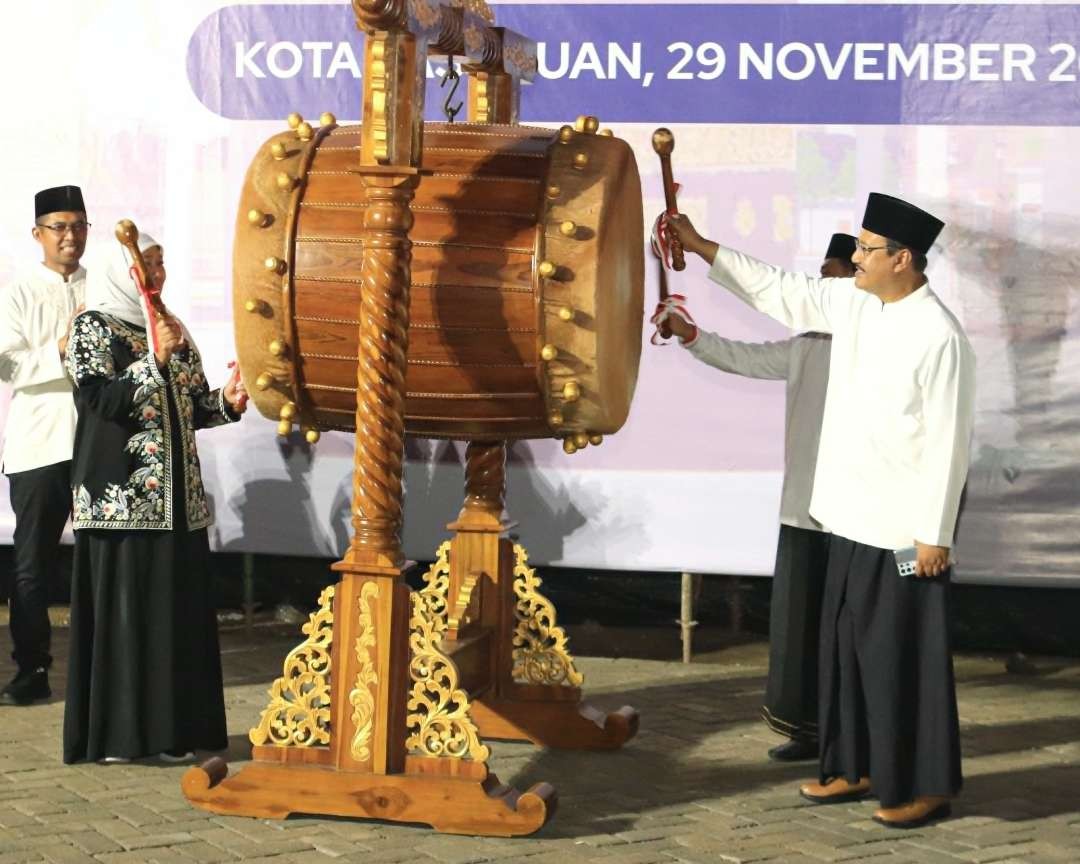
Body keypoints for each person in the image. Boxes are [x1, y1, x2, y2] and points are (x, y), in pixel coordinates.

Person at [664, 194, 975, 828]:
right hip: (844, 517)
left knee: (899, 659)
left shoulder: (940, 335)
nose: (854, 257)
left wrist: (933, 534)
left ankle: (923, 785)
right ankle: (852, 767)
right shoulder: (855, 304)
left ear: (903, 258)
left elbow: (949, 441)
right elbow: (778, 288)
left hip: (900, 534)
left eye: (865, 249)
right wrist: (701, 246)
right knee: (845, 656)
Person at [661, 233, 855, 762]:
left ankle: (847, 736)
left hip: (855, 513)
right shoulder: (809, 342)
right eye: (823, 274)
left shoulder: (875, 340)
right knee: (799, 628)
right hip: (802, 507)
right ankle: (807, 729)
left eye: (835, 274)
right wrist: (691, 334)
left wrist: (700, 244)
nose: (823, 284)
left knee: (844, 630)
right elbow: (746, 358)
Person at [62, 235, 248, 763]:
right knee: (129, 619)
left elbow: (191, 407)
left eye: (162, 262)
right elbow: (99, 400)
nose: (157, 272)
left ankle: (172, 734)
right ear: (124, 270)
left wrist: (227, 402)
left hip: (178, 506)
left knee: (174, 621)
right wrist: (153, 362)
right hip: (123, 503)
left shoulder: (170, 323)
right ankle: (122, 739)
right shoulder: (92, 326)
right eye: (147, 264)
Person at [0, 185, 89, 706]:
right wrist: (61, 346)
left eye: (78, 225)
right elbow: (7, 366)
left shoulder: (101, 288)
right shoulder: (18, 291)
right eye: (59, 227)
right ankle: (31, 670)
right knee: (33, 565)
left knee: (103, 561)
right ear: (39, 234)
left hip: (98, 442)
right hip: (38, 444)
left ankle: (101, 670)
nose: (70, 236)